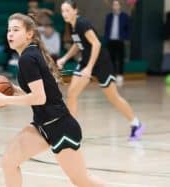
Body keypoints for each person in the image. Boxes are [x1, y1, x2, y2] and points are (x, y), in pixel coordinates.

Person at [0, 13, 106, 187]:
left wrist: (6, 99)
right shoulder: (29, 54)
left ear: (29, 34)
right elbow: (38, 93)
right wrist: (12, 90)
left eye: (16, 30)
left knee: (82, 180)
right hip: (43, 125)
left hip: (61, 126)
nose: (10, 34)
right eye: (9, 30)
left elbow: (39, 98)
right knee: (8, 162)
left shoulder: (27, 58)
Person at [57, 0, 144, 140]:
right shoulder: (73, 26)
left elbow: (96, 44)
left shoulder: (82, 23)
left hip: (101, 63)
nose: (64, 14)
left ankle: (136, 123)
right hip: (86, 61)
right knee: (72, 94)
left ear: (75, 10)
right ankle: (72, 131)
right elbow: (77, 43)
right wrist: (64, 58)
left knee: (113, 98)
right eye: (62, 11)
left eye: (67, 10)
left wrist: (90, 68)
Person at [104, 0, 130, 86]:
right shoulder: (109, 16)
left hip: (120, 41)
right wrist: (106, 38)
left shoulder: (125, 16)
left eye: (117, 5)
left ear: (120, 6)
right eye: (114, 5)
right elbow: (106, 29)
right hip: (111, 41)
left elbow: (128, 29)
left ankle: (120, 75)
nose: (115, 6)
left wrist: (125, 38)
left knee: (121, 58)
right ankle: (112, 75)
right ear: (112, 6)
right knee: (111, 59)